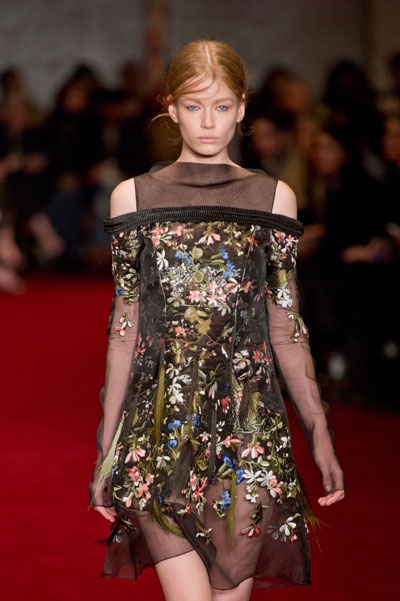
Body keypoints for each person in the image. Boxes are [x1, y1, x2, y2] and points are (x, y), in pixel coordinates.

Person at [90, 40, 344, 601]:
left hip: (250, 433)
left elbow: (286, 328)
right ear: (171, 108)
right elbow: (124, 331)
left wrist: (319, 432)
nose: (209, 122)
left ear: (243, 108)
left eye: (222, 106)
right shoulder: (133, 199)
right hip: (158, 432)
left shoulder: (273, 198)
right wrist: (107, 447)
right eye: (194, 106)